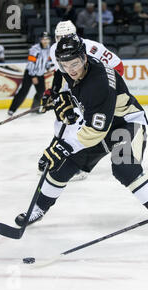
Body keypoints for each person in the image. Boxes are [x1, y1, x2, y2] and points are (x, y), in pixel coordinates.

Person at [14, 35, 148, 241]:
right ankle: (38, 209)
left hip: (126, 124)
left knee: (124, 168)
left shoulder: (99, 81)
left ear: (85, 58)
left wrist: (62, 147)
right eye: (65, 64)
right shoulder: (71, 69)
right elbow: (67, 87)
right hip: (100, 125)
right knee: (62, 166)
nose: (71, 69)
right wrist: (61, 99)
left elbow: (96, 130)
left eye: (74, 63)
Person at [40, 20, 124, 182]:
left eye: (66, 36)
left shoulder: (93, 48)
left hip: (98, 87)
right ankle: (55, 153)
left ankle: (78, 166)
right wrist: (54, 92)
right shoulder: (54, 50)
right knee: (62, 117)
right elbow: (61, 72)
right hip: (77, 84)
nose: (61, 41)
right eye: (58, 37)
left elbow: (118, 66)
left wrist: (106, 91)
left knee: (83, 124)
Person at [7, 32, 52, 116]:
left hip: (40, 74)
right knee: (23, 91)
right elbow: (31, 63)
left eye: (47, 39)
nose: (45, 41)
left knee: (41, 92)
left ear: (49, 40)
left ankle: (35, 108)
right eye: (43, 39)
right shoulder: (35, 49)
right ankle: (11, 110)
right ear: (40, 40)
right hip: (30, 74)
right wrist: (33, 76)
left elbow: (46, 61)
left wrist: (48, 67)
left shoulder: (49, 49)